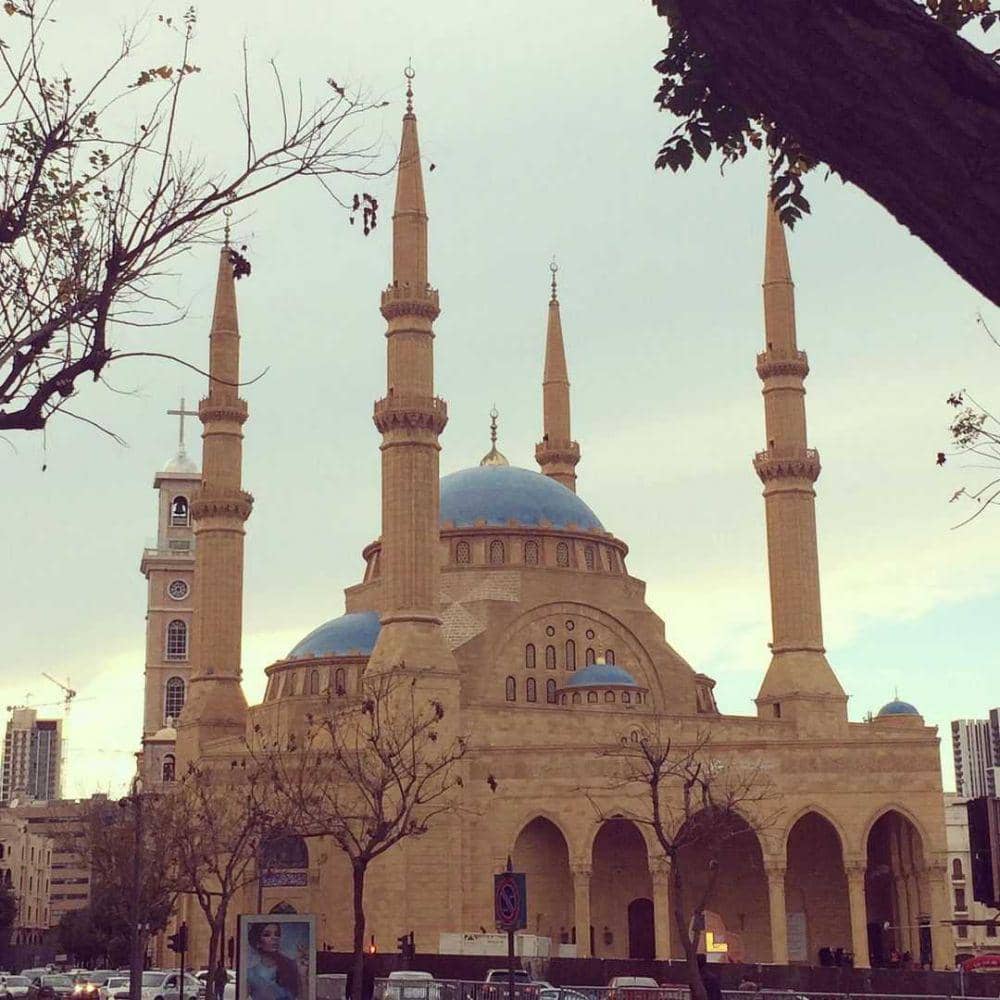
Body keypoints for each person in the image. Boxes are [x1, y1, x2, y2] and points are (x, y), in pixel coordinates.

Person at [245, 922, 308, 1000]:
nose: (274, 938)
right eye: (267, 935)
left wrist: (302, 976)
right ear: (258, 942)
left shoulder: (291, 966)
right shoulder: (251, 974)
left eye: (277, 934)